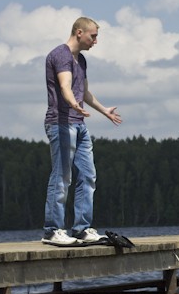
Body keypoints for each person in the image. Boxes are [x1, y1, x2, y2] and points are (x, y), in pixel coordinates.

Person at [42, 17, 123, 246]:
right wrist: (72, 103)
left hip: (79, 124)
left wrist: (104, 110)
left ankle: (82, 229)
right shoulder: (61, 55)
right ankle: (52, 231)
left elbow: (84, 92)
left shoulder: (81, 60)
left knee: (88, 175)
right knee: (62, 177)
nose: (95, 41)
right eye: (93, 36)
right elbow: (65, 86)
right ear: (79, 32)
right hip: (61, 122)